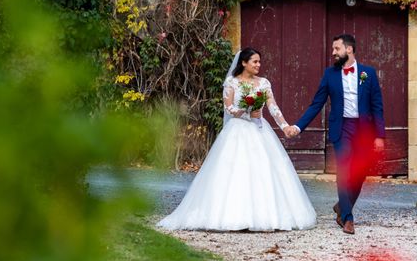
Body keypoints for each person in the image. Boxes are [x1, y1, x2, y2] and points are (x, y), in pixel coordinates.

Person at [158, 47, 316, 232]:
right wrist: (244, 110)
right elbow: (228, 109)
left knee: (263, 170)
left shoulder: (263, 83)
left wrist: (285, 126)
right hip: (237, 129)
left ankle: (265, 216)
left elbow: (273, 107)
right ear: (243, 63)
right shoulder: (231, 82)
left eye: (259, 61)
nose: (258, 65)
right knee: (234, 170)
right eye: (254, 61)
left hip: (259, 130)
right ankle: (232, 215)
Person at [286, 34, 385, 235]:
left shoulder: (369, 73)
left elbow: (377, 106)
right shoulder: (329, 74)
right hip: (342, 129)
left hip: (364, 130)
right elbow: (316, 104)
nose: (333, 52)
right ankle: (347, 218)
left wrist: (379, 135)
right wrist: (298, 126)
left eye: (336, 48)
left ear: (349, 50)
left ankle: (341, 205)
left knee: (360, 173)